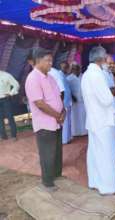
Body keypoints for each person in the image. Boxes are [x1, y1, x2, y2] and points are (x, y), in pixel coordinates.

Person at [25, 48, 65, 191]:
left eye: (51, 60)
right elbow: (39, 103)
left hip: (56, 121)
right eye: (47, 60)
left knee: (57, 151)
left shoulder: (50, 77)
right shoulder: (32, 78)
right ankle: (47, 183)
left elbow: (58, 97)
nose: (50, 63)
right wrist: (57, 115)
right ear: (38, 61)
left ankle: (56, 175)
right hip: (45, 123)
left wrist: (63, 111)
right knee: (47, 153)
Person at [81, 46, 115, 195]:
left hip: (94, 121)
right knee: (107, 154)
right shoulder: (96, 75)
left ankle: (95, 182)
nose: (106, 61)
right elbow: (107, 100)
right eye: (105, 58)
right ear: (101, 59)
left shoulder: (86, 74)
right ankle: (109, 187)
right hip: (103, 122)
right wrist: (112, 93)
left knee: (95, 153)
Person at [67, 63, 87, 136]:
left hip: (83, 100)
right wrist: (72, 97)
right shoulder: (69, 78)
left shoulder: (84, 76)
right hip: (74, 101)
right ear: (72, 69)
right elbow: (68, 90)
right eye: (74, 68)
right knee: (75, 117)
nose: (76, 70)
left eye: (77, 68)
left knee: (84, 115)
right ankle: (76, 132)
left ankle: (85, 132)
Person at [0, 70, 19, 141]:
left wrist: (11, 93)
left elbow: (16, 84)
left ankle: (14, 135)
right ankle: (3, 136)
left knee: (10, 117)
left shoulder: (6, 75)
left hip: (6, 99)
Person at [59, 61, 73, 144]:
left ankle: (67, 138)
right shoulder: (60, 76)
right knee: (65, 121)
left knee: (68, 121)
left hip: (68, 101)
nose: (66, 69)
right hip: (64, 102)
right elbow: (62, 90)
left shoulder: (64, 76)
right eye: (64, 67)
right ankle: (64, 140)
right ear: (61, 67)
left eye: (66, 67)